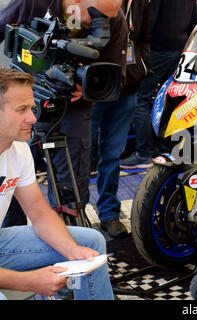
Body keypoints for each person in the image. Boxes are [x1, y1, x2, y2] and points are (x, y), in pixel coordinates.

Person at [0, 0, 128, 217]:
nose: (103, 22)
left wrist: (85, 86)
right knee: (11, 180)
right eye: (97, 15)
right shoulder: (35, 3)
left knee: (72, 188)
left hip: (75, 110)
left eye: (110, 16)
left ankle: (70, 236)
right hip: (24, 106)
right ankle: (9, 239)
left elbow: (116, 76)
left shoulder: (115, 18)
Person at [0, 68, 114, 300]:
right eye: (21, 110)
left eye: (32, 108)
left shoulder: (19, 148)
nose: (33, 118)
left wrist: (73, 251)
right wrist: (29, 282)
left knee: (90, 242)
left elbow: (41, 214)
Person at [91, 0, 151, 238]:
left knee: (112, 155)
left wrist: (139, 69)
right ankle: (76, 216)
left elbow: (144, 37)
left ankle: (108, 213)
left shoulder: (140, 3)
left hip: (126, 90)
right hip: (92, 91)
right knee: (80, 157)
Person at [120, 0, 197, 169]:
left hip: (158, 49)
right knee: (168, 99)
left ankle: (143, 153)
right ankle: (165, 149)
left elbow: (150, 22)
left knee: (140, 98)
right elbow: (195, 21)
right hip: (181, 49)